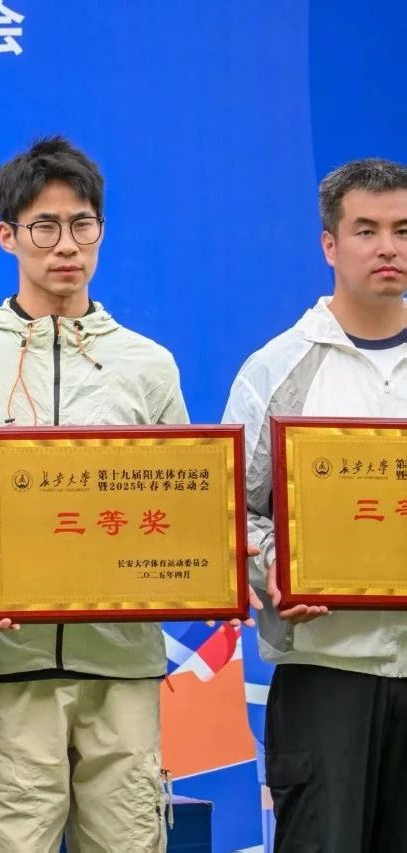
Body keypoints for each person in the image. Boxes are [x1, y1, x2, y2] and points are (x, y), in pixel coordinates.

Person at [0, 137, 185, 852]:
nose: (66, 245)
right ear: (7, 236)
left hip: (122, 662)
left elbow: (180, 504)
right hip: (10, 665)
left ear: (101, 230)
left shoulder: (149, 366)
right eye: (44, 227)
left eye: (81, 224)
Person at [222, 157, 407, 851]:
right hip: (326, 672)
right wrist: (278, 565)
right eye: (366, 230)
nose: (387, 247)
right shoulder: (277, 368)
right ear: (330, 244)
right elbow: (230, 509)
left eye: (402, 230)